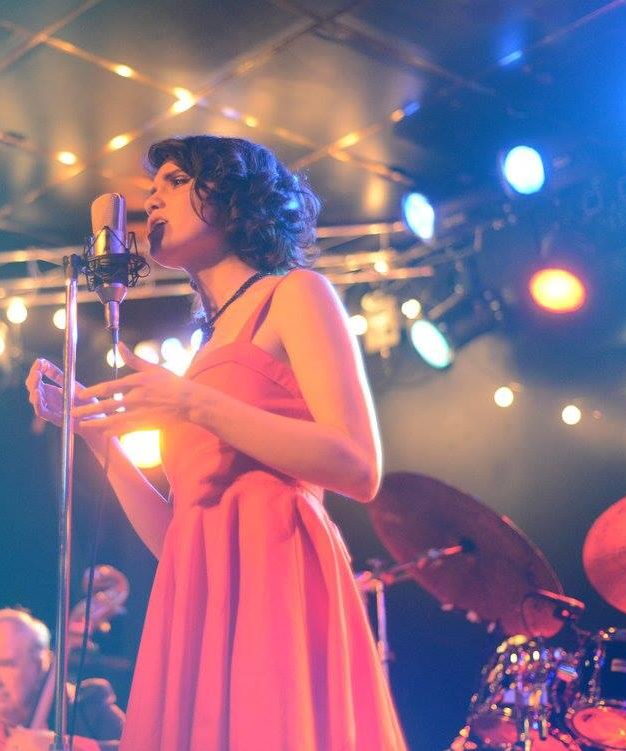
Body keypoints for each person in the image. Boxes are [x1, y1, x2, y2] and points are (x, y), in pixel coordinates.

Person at [26, 135, 407, 750]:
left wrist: (190, 401)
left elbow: (359, 466)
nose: (152, 199)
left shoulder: (294, 294)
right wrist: (95, 435)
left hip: (274, 576)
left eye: (175, 182)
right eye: (152, 189)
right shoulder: (204, 349)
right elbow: (177, 536)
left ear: (237, 198)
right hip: (202, 598)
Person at [0, 608, 124, 751]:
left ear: (39, 665)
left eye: (5, 664)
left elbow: (144, 745)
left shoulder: (90, 710)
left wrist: (62, 746)